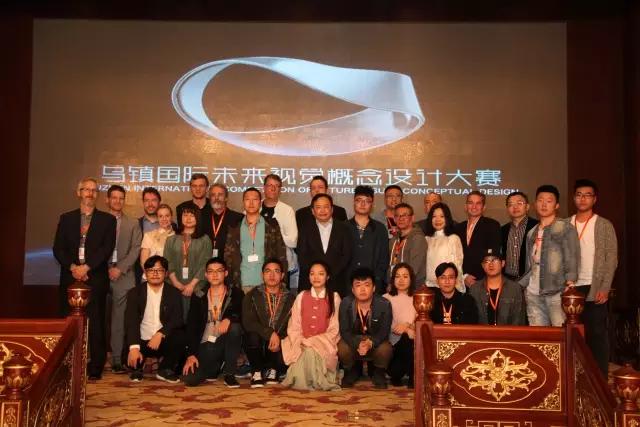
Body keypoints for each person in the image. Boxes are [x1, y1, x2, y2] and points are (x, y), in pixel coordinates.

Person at [53, 177, 116, 380]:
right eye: (86, 189)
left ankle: (96, 366)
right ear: (78, 193)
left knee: (96, 321)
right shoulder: (66, 218)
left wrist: (87, 267)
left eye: (94, 190)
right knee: (68, 321)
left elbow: (106, 248)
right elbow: (58, 248)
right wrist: (74, 268)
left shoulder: (107, 220)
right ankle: (67, 363)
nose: (90, 193)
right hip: (70, 277)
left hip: (95, 276)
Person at [570, 179, 617, 376]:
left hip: (594, 285)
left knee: (596, 333)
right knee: (573, 334)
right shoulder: (565, 224)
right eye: (579, 195)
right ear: (574, 198)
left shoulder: (603, 224)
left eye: (587, 195)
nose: (583, 199)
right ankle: (576, 376)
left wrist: (605, 287)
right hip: (571, 287)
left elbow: (611, 258)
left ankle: (599, 379)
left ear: (594, 199)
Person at [520, 185, 580, 327]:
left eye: (549, 201)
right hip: (533, 292)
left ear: (556, 205)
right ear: (535, 204)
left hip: (557, 291)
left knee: (560, 333)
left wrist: (570, 284)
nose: (544, 204)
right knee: (538, 336)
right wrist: (524, 286)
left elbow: (572, 257)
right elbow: (530, 264)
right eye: (540, 200)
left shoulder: (565, 227)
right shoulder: (532, 232)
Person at [182, 257, 244, 388]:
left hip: (223, 340)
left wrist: (230, 319)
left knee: (235, 328)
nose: (215, 275)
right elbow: (191, 326)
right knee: (190, 379)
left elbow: (241, 313)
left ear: (225, 273)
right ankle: (217, 367)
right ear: (206, 275)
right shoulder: (198, 296)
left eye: (219, 271)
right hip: (206, 346)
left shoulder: (236, 293)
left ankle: (229, 374)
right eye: (210, 271)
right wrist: (191, 354)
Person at [281, 261, 341, 391]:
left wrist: (313, 342)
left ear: (328, 276)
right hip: (301, 342)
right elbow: (294, 325)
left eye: (321, 274)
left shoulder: (334, 297)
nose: (316, 277)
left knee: (310, 351)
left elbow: (335, 329)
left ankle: (310, 379)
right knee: (305, 351)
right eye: (312, 274)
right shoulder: (301, 296)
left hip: (324, 344)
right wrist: (301, 340)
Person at [125, 255, 186, 383]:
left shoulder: (174, 293)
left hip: (163, 340)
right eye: (151, 270)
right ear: (145, 273)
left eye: (159, 270)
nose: (155, 273)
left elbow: (177, 319)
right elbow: (131, 321)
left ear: (166, 273)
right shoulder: (134, 293)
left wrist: (160, 333)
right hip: (142, 339)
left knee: (180, 336)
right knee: (129, 354)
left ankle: (164, 369)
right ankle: (137, 368)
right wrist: (134, 347)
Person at [105, 185, 142, 374]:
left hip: (124, 276)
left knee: (120, 320)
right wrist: (106, 268)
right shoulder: (99, 220)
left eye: (121, 198)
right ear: (107, 200)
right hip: (100, 273)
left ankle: (117, 359)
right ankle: (91, 357)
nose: (118, 201)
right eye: (114, 197)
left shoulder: (133, 223)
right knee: (96, 318)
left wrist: (119, 268)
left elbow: (136, 248)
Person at [242, 259, 296, 388]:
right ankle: (256, 371)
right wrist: (270, 333)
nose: (272, 275)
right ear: (262, 275)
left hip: (279, 345)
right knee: (252, 335)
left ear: (282, 275)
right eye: (268, 271)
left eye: (276, 271)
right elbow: (248, 322)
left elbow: (294, 325)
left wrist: (279, 338)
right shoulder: (252, 295)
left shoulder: (292, 298)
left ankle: (274, 369)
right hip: (258, 344)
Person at [225, 187, 288, 294]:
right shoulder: (235, 227)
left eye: (255, 199)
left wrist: (283, 282)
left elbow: (281, 254)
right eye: (247, 199)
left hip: (267, 284)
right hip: (241, 283)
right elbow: (228, 257)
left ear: (260, 202)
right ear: (243, 202)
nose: (251, 203)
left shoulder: (271, 226)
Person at [338, 268, 393, 389]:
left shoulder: (384, 304)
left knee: (385, 348)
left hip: (374, 340)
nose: (362, 289)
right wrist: (357, 343)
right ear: (353, 289)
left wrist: (370, 343)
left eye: (367, 285)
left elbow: (384, 331)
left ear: (373, 288)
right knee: (342, 347)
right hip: (354, 339)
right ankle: (352, 370)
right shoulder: (346, 303)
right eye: (358, 285)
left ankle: (378, 371)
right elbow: (344, 331)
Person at [297, 194, 353, 296]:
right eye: (318, 207)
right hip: (311, 283)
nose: (322, 211)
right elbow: (302, 255)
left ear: (332, 209)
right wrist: (315, 275)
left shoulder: (344, 228)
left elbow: (346, 255)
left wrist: (330, 274)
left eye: (326, 207)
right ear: (312, 211)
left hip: (337, 282)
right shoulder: (305, 229)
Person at [164, 207, 212, 322]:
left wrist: (191, 285)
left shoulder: (205, 239)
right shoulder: (171, 239)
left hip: (197, 286)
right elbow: (167, 261)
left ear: (197, 218)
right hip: (174, 285)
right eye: (185, 215)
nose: (188, 218)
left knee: (193, 320)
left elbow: (205, 263)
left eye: (192, 215)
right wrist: (176, 283)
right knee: (175, 319)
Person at [347, 185, 390, 294]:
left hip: (373, 285)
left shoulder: (380, 228)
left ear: (372, 204)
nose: (363, 204)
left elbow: (384, 258)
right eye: (359, 200)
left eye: (367, 201)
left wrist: (377, 278)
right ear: (354, 202)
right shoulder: (343, 227)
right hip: (347, 285)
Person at [454, 191, 501, 287]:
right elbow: (454, 255)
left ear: (484, 207)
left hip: (484, 280)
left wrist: (482, 279)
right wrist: (464, 275)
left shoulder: (492, 225)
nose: (474, 206)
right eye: (470, 203)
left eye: (478, 203)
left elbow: (493, 254)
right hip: (462, 280)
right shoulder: (458, 228)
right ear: (465, 206)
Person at [468, 249, 526, 325]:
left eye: (494, 260)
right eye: (487, 261)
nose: (491, 264)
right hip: (482, 332)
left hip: (507, 332)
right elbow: (471, 321)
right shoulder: (474, 289)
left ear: (503, 263)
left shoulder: (515, 288)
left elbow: (519, 320)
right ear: (482, 266)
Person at [261, 174, 299, 290]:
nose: (273, 188)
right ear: (264, 188)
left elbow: (293, 241)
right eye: (270, 185)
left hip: (281, 262)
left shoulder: (287, 210)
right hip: (258, 263)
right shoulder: (254, 207)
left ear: (280, 190)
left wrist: (275, 232)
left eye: (277, 186)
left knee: (282, 297)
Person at [383, 263, 417, 388]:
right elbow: (386, 325)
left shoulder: (418, 298)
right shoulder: (385, 298)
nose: (401, 280)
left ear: (411, 279)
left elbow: (420, 321)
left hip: (413, 342)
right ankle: (405, 374)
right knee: (405, 339)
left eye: (405, 276)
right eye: (397, 276)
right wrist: (406, 330)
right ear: (393, 279)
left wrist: (407, 326)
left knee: (408, 340)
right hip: (392, 344)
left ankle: (413, 377)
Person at [423, 202, 464, 292]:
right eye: (434, 216)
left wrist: (457, 287)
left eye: (442, 216)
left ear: (447, 218)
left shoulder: (453, 238)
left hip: (448, 287)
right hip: (429, 286)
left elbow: (458, 265)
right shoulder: (426, 239)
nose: (438, 220)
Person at [501, 192, 538, 281]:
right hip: (507, 280)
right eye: (511, 204)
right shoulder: (503, 229)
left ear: (527, 207)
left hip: (530, 279)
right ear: (507, 208)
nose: (515, 207)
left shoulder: (537, 226)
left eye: (519, 203)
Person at [388, 203, 427, 288]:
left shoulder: (417, 238)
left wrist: (399, 284)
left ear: (412, 218)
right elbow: (390, 264)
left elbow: (414, 268)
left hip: (413, 287)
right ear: (394, 219)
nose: (401, 218)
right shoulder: (393, 240)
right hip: (396, 286)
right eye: (397, 216)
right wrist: (390, 283)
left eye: (404, 215)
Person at [202, 183, 243, 259]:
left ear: (226, 198)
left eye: (220, 195)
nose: (216, 198)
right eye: (213, 195)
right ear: (210, 198)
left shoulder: (238, 218)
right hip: (207, 261)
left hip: (229, 262)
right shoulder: (203, 218)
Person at [136, 187, 163, 285]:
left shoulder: (171, 225)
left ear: (159, 202)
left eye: (154, 200)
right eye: (147, 200)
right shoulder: (136, 224)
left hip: (165, 276)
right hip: (142, 277)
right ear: (143, 202)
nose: (150, 204)